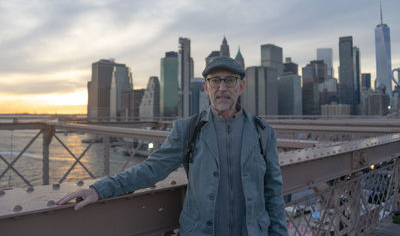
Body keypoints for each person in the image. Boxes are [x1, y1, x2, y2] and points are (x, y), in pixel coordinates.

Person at [57, 56, 288, 236]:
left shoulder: (263, 133)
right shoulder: (188, 130)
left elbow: (274, 196)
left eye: (230, 80)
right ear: (206, 88)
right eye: (215, 81)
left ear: (241, 86)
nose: (222, 88)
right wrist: (100, 189)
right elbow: (151, 169)